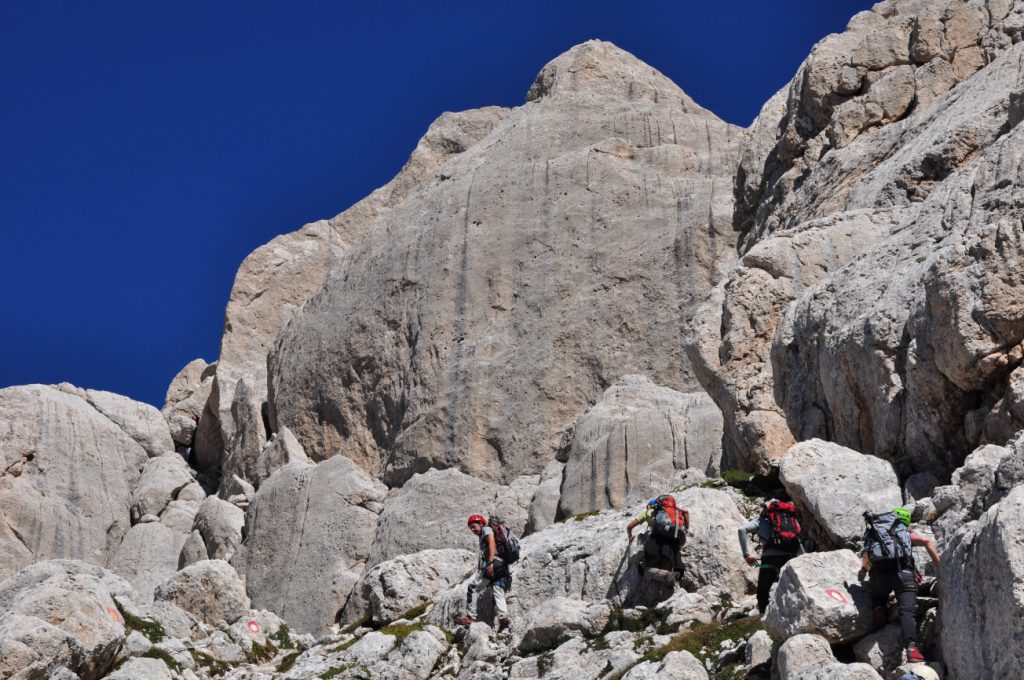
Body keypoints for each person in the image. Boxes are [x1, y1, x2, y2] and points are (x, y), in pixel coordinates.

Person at [861, 507, 940, 664]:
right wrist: (939, 566)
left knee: (877, 594)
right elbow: (926, 541)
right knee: (907, 611)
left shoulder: (876, 535)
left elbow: (865, 562)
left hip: (880, 577)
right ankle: (912, 649)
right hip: (904, 576)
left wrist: (865, 572)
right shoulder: (903, 534)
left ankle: (878, 608)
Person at [737, 499, 804, 613]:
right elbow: (797, 535)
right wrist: (803, 556)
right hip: (790, 556)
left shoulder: (762, 519)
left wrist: (746, 555)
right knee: (791, 586)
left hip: (769, 558)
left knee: (763, 590)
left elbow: (742, 530)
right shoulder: (789, 518)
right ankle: (794, 612)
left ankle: (764, 616)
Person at [455, 514, 510, 632]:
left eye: (474, 526)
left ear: (481, 523)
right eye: (471, 528)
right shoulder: (487, 531)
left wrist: (489, 562)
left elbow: (491, 543)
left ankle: (471, 617)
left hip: (493, 564)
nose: (473, 530)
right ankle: (503, 620)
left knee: (472, 588)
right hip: (502, 566)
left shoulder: (486, 529)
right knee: (498, 591)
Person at [626, 495, 689, 583]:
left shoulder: (650, 513)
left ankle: (666, 576)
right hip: (673, 544)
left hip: (657, 544)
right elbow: (686, 512)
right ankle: (671, 577)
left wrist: (630, 537)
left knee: (644, 569)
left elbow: (629, 526)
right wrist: (687, 528)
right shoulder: (675, 512)